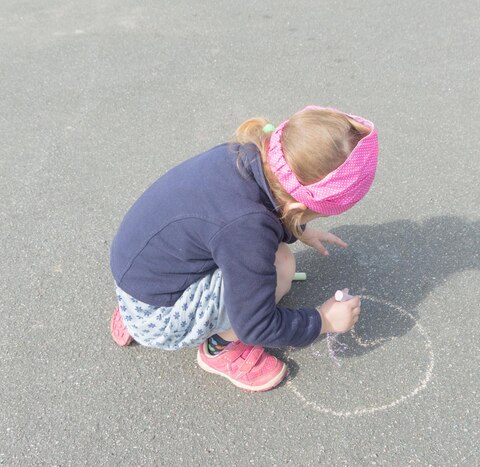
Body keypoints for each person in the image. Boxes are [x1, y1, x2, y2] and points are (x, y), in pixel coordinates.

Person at [109, 105, 379, 392]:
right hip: (157, 317)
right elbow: (256, 324)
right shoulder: (248, 227)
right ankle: (220, 349)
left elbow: (228, 218)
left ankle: (134, 316)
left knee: (240, 247)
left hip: (140, 275)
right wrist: (323, 320)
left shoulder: (246, 155)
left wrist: (298, 228)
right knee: (282, 265)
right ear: (300, 206)